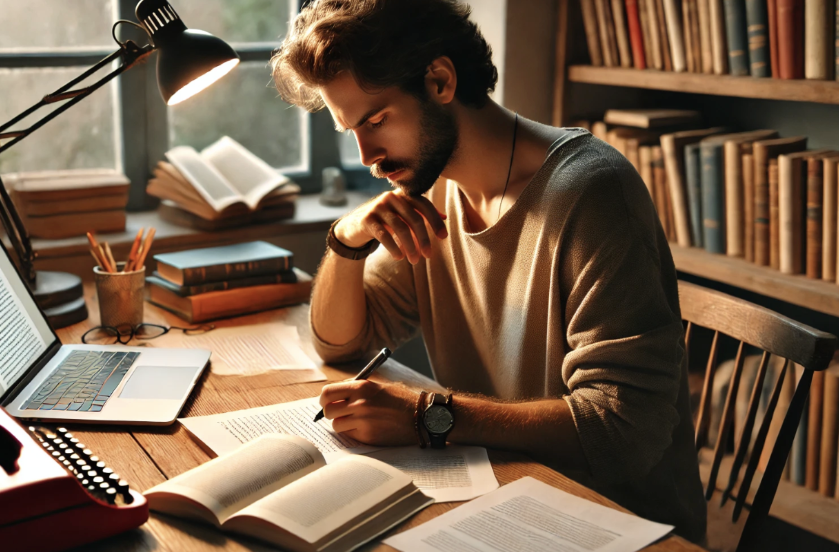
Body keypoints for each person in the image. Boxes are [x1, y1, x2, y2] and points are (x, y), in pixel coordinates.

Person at [271, 0, 705, 541]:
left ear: (440, 81)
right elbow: (342, 344)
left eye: (377, 120)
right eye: (350, 130)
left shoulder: (593, 195)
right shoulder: (433, 190)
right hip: (498, 495)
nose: (366, 155)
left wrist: (427, 414)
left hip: (610, 520)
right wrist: (346, 240)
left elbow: (623, 429)